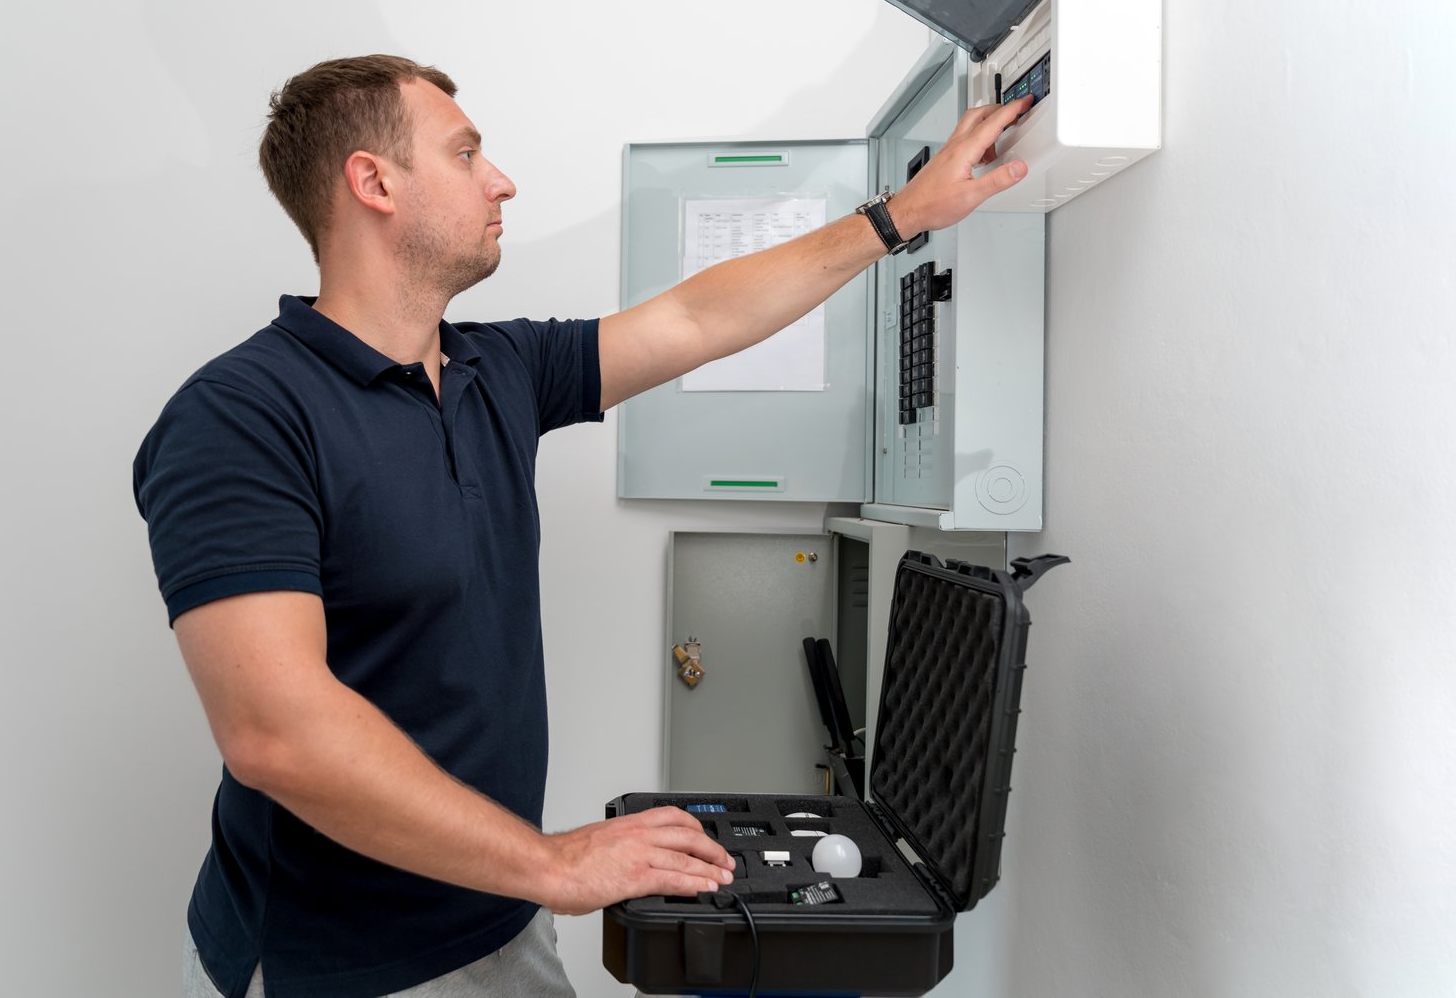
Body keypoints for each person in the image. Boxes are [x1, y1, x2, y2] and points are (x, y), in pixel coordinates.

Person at [134, 53, 1030, 998]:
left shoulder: (496, 371)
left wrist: (904, 216)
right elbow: (277, 733)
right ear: (373, 182)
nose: (501, 179)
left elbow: (694, 318)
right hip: (340, 964)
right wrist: (556, 866)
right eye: (466, 152)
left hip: (500, 916)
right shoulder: (241, 415)